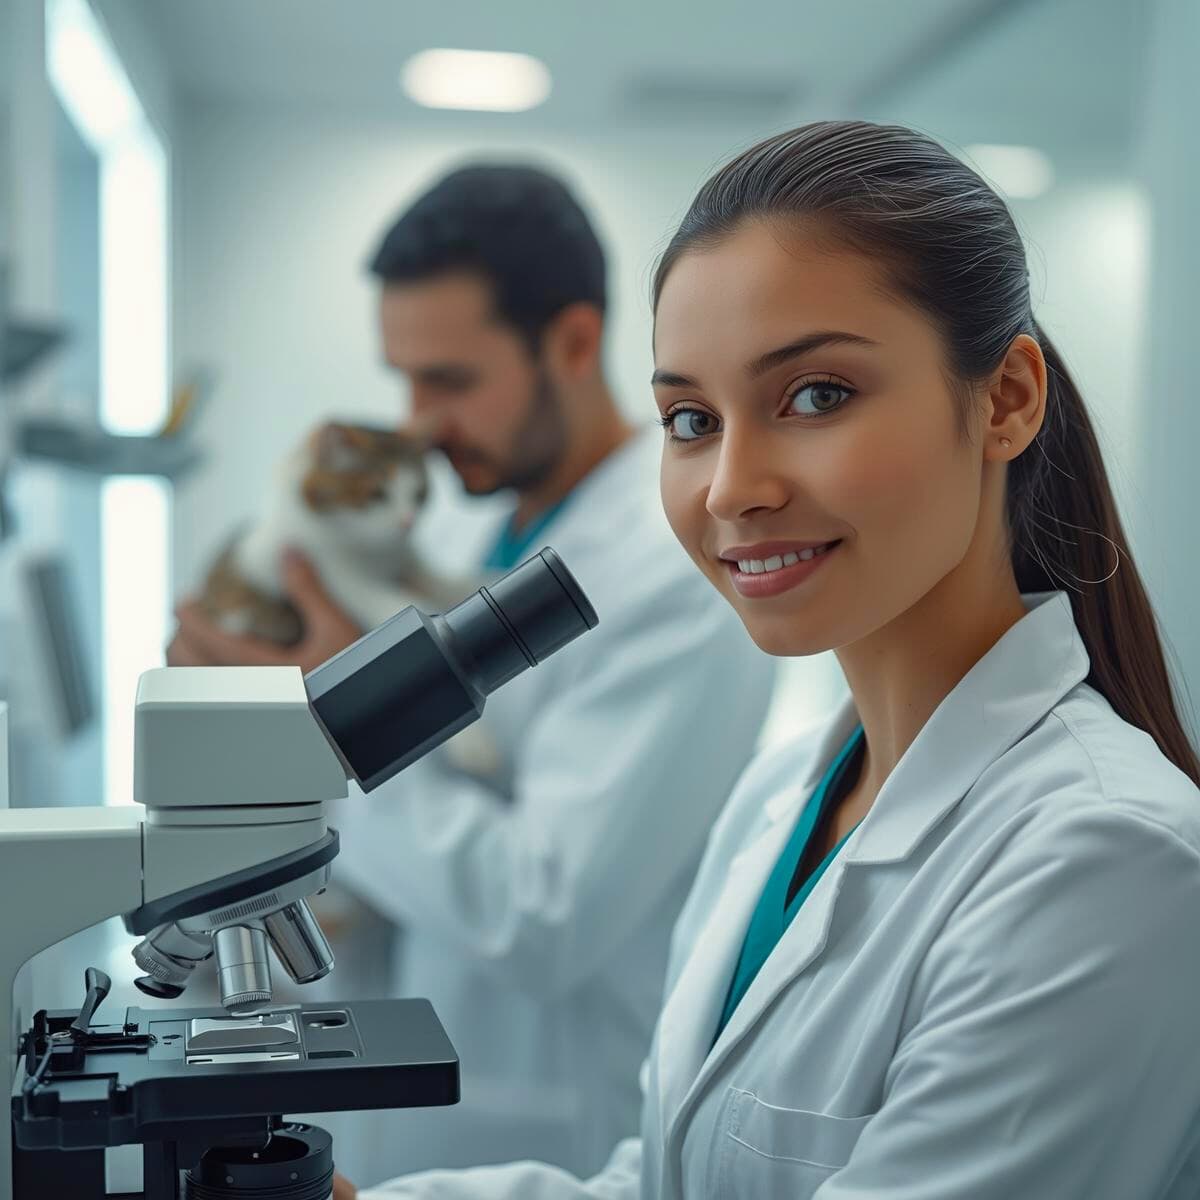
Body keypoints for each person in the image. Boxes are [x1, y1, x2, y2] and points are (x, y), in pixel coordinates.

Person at [336, 121, 1200, 1200]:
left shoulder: (1104, 859)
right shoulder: (779, 801)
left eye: (816, 396)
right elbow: (663, 1184)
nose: (729, 487)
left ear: (1007, 400)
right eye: (691, 418)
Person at [169, 164, 777, 1183]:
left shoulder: (677, 571)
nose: (415, 421)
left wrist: (323, 732)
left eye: (447, 381)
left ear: (575, 343)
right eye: (403, 379)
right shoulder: (454, 522)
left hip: (551, 1125)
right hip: (399, 1104)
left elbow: (542, 911)